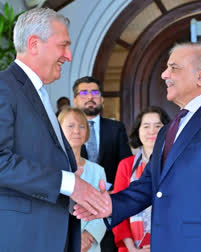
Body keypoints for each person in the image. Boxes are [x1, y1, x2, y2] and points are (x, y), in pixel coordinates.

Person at [74, 43, 201, 251]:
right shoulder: (168, 130)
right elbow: (149, 186)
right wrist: (110, 205)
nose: (164, 74)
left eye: (174, 68)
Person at [0, 8, 108, 252]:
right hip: (8, 240)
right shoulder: (0, 87)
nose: (68, 55)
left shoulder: (38, 94)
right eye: (63, 45)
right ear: (34, 44)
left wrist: (74, 199)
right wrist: (70, 183)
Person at [73, 76, 132, 252]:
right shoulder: (65, 130)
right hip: (75, 209)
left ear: (102, 99)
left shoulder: (116, 128)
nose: (90, 97)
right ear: (75, 99)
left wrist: (114, 192)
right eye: (84, 92)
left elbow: (125, 165)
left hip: (109, 207)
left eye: (95, 92)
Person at [112, 106, 170, 252]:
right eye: (146, 126)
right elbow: (119, 209)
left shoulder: (175, 164)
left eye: (158, 126)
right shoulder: (126, 165)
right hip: (131, 248)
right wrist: (132, 248)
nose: (152, 131)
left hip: (169, 244)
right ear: (138, 131)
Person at [58, 108, 107, 252]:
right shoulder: (49, 170)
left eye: (82, 126)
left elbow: (104, 208)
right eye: (70, 126)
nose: (77, 131)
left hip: (88, 246)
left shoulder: (97, 171)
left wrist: (88, 236)